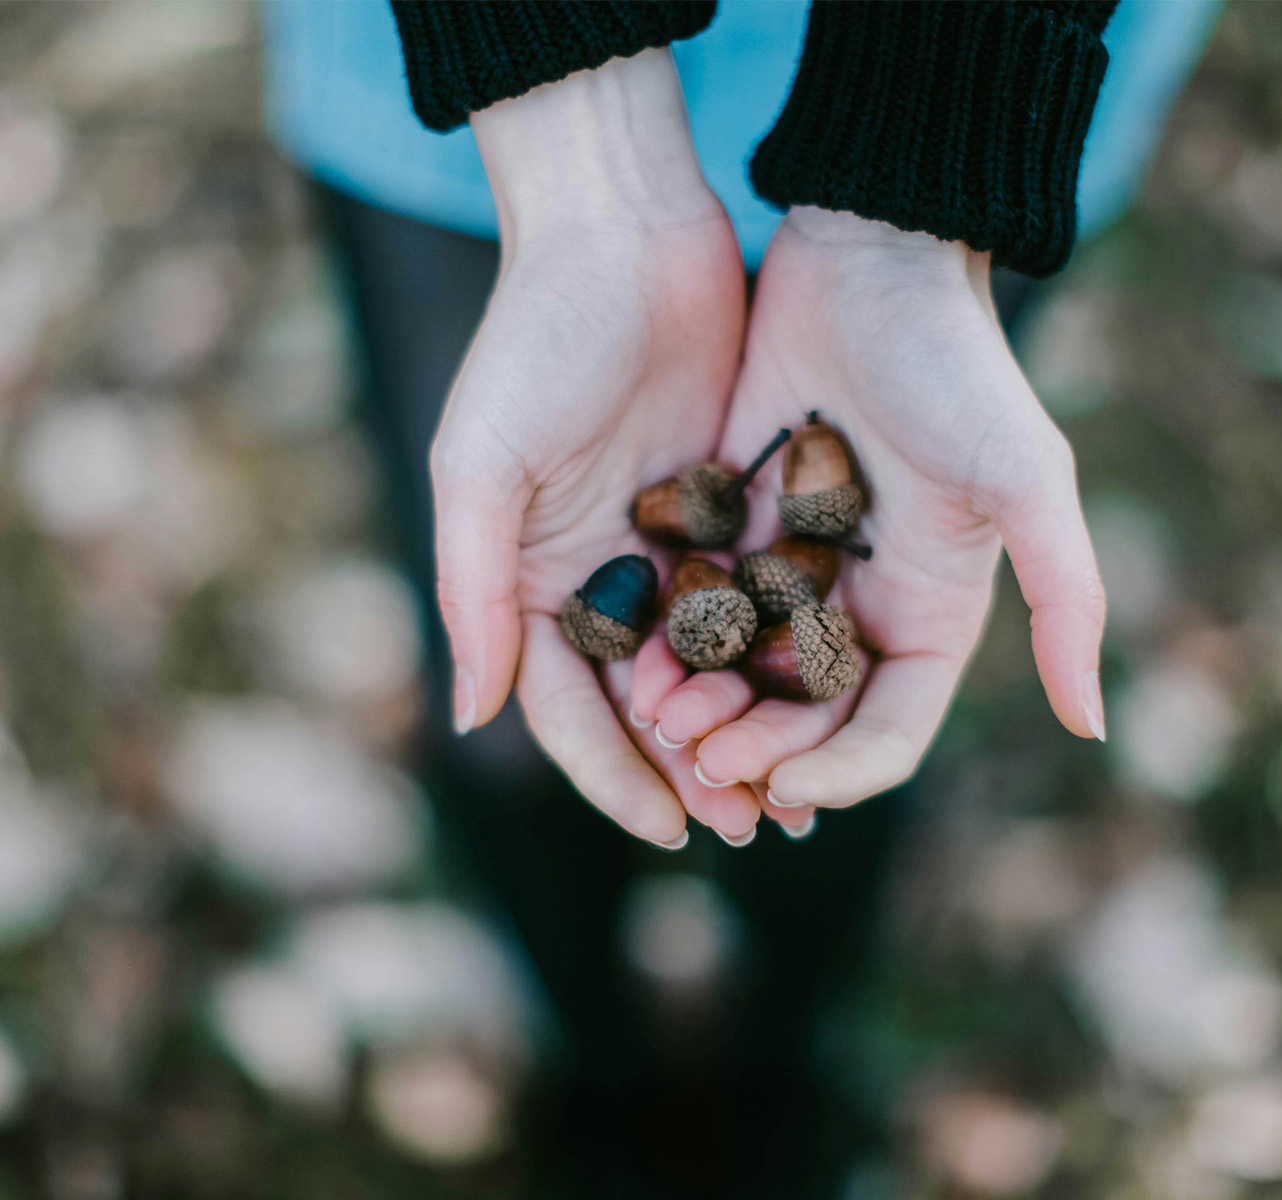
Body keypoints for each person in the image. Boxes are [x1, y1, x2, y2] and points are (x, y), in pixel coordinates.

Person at [262, 2, 1222, 1191]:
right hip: (474, 65)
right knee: (511, 712)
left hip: (981, 62)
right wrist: (580, 148)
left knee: (825, 759)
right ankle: (596, 1060)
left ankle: (782, 1060)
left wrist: (916, 196)